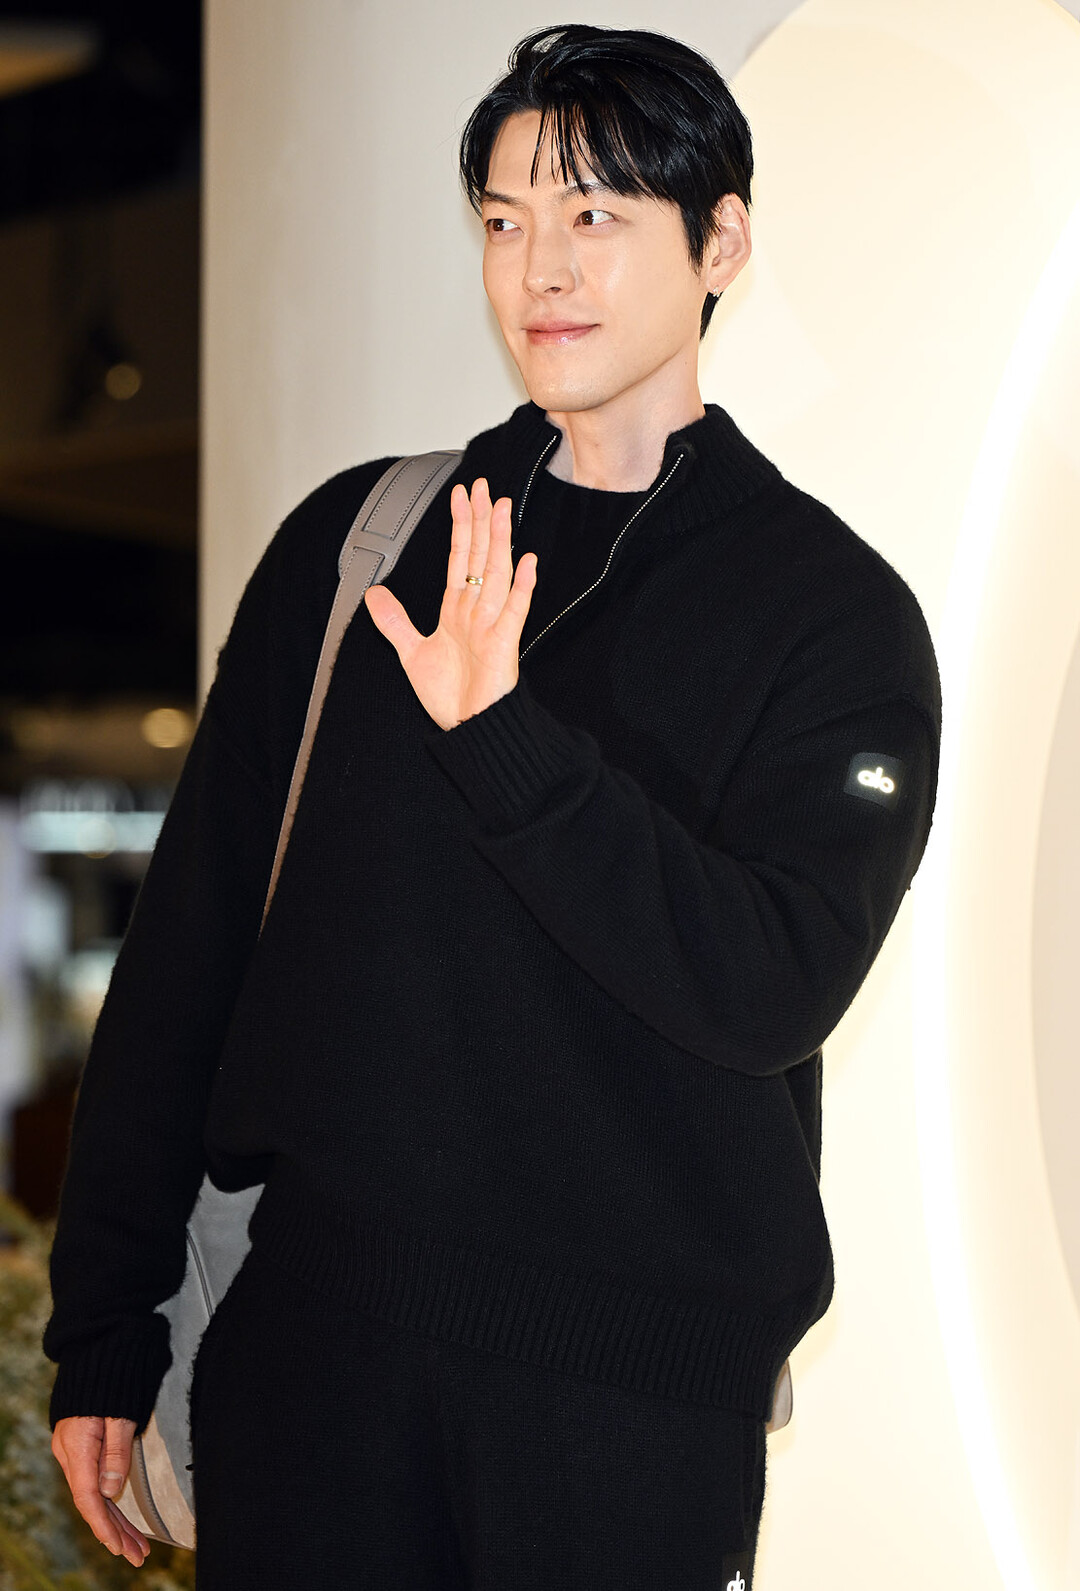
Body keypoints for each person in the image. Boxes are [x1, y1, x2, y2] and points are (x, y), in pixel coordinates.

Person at [44, 22, 940, 1589]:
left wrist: (506, 739)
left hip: (630, 1409)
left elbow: (767, 983)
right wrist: (105, 1325)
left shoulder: (832, 616)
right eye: (507, 219)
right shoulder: (362, 547)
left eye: (597, 213)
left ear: (720, 242)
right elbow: (192, 948)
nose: (543, 268)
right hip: (312, 1367)